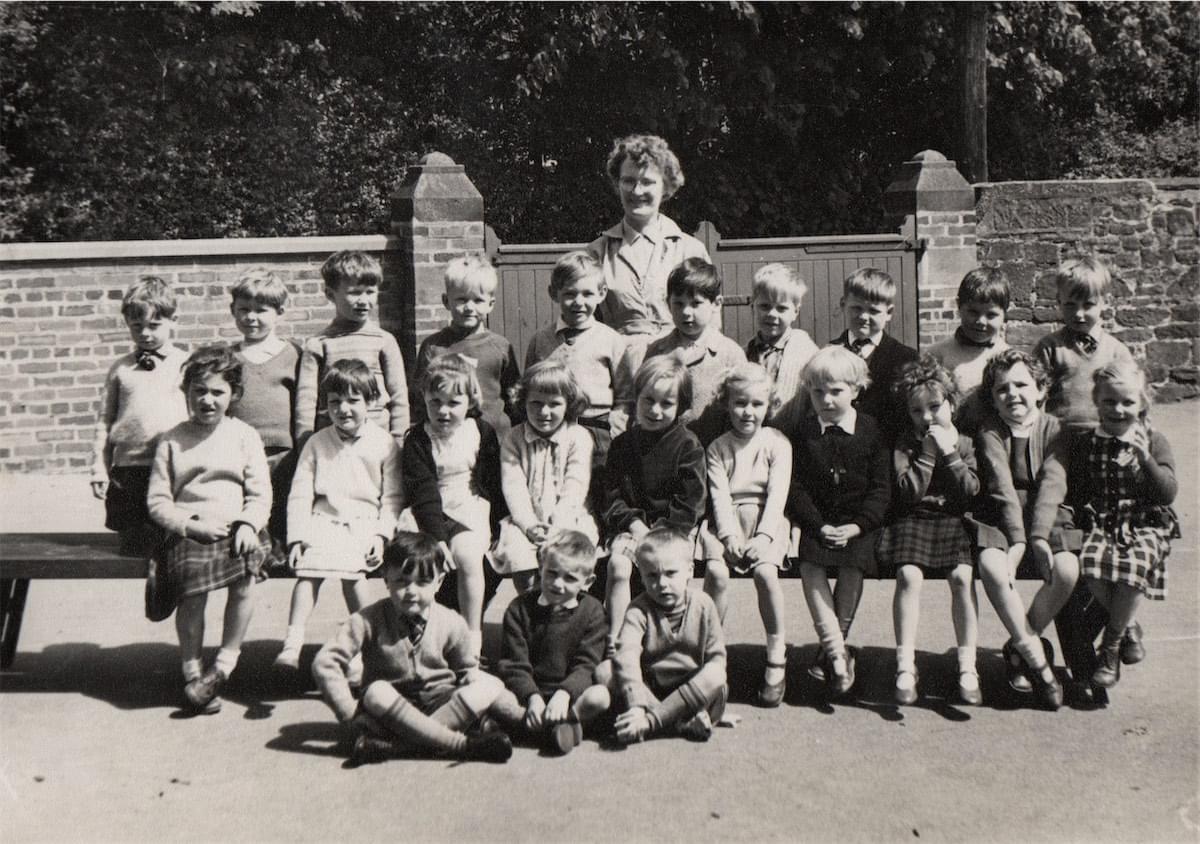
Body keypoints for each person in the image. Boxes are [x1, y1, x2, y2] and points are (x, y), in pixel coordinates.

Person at [311, 533, 514, 766]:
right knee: (376, 692)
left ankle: (397, 748)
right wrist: (349, 715)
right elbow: (325, 662)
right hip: (388, 714)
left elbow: (466, 671)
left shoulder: (451, 621)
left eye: (422, 582)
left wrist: (511, 708)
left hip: (440, 704)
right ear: (385, 578)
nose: (411, 591)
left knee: (489, 684)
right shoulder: (368, 619)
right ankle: (462, 745)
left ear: (439, 582)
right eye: (401, 581)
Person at [146, 346, 273, 715]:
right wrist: (189, 525)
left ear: (233, 395)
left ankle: (223, 667)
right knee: (193, 589)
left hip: (237, 527)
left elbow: (260, 493)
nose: (207, 400)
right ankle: (192, 672)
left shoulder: (244, 435)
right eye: (199, 391)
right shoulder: (172, 440)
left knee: (246, 577)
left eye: (218, 392)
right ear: (186, 392)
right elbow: (158, 502)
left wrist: (249, 523)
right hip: (191, 530)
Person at [274, 360, 403, 673]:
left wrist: (380, 535)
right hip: (324, 518)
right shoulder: (317, 442)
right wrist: (297, 538)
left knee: (353, 576)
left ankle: (360, 651)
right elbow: (301, 493)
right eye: (334, 402)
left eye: (353, 400)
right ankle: (292, 642)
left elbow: (392, 497)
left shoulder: (384, 443)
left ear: (371, 402)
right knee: (308, 573)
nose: (343, 409)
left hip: (363, 522)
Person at [973, 349, 1078, 710]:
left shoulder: (1055, 429)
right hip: (1002, 517)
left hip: (1048, 515)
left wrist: (1037, 538)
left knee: (1067, 569)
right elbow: (1001, 488)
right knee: (991, 565)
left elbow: (1053, 483)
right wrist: (1017, 542)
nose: (1012, 394)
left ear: (1041, 390)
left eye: (1021, 384)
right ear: (992, 397)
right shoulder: (990, 431)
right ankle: (1038, 662)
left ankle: (1018, 644)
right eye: (1002, 389)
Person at [877, 358, 982, 706]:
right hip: (914, 517)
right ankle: (905, 665)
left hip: (953, 520)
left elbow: (969, 490)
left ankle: (968, 666)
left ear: (951, 404)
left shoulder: (964, 442)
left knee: (962, 579)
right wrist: (926, 453)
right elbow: (907, 492)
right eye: (917, 410)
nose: (926, 417)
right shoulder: (906, 443)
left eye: (935, 407)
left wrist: (949, 452)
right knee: (908, 576)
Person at [787, 346, 891, 696]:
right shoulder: (803, 433)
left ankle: (833, 649)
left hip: (858, 523)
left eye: (836, 391)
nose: (827, 400)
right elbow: (796, 488)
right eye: (818, 392)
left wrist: (860, 525)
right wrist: (818, 526)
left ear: (856, 390)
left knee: (852, 565)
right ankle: (837, 653)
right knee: (810, 564)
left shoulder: (872, 430)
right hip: (819, 522)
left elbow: (880, 488)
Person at [1068, 362, 1178, 689]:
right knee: (1089, 564)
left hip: (1145, 520)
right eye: (1109, 402)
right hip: (1104, 519)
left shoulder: (1154, 441)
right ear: (1097, 402)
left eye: (1127, 403)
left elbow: (1168, 494)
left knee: (1133, 568)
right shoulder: (1089, 443)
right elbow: (1079, 488)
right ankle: (1129, 625)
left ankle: (1111, 646)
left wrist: (1145, 460)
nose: (1118, 410)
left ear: (1142, 404)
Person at [400, 354, 505, 657]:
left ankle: (472, 635)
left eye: (453, 403)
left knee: (470, 557)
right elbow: (423, 491)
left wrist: (500, 523)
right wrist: (438, 538)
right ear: (425, 399)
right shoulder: (418, 438)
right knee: (423, 560)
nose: (443, 411)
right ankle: (421, 633)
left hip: (469, 505)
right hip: (428, 511)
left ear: (470, 401)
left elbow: (493, 481)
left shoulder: (480, 433)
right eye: (435, 402)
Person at [601, 354, 708, 651]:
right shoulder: (622, 445)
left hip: (674, 530)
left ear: (682, 407)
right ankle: (618, 639)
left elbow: (691, 502)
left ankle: (673, 639)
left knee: (669, 572)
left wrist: (661, 532)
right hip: (633, 528)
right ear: (636, 398)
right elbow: (612, 497)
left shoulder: (688, 445)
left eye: (666, 403)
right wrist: (635, 526)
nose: (655, 410)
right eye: (648, 400)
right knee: (620, 564)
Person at [705, 363, 793, 707]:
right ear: (726, 404)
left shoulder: (777, 443)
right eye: (740, 403)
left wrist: (764, 537)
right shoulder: (718, 448)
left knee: (765, 573)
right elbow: (719, 496)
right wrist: (727, 536)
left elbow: (777, 495)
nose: (748, 412)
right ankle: (711, 654)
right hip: (726, 522)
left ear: (768, 406)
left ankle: (776, 656)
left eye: (757, 404)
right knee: (715, 572)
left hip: (766, 522)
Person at [91, 277, 188, 555]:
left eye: (154, 325)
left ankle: (166, 597)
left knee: (171, 547)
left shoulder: (185, 364)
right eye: (137, 326)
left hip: (171, 468)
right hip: (128, 469)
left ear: (173, 320)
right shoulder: (121, 369)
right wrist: (100, 467)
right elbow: (104, 421)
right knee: (133, 548)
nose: (145, 333)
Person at [492, 531, 611, 755]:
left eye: (570, 578)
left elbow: (587, 664)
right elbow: (514, 663)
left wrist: (564, 694)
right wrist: (532, 698)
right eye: (552, 573)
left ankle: (546, 727)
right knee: (492, 692)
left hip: (571, 696)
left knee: (600, 698)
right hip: (528, 695)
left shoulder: (593, 611)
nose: (557, 583)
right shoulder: (519, 608)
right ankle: (557, 729)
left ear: (588, 582)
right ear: (541, 569)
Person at [588, 134, 710, 341]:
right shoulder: (597, 253)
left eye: (647, 182)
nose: (637, 191)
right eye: (628, 181)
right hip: (619, 367)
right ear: (617, 184)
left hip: (678, 366)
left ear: (666, 187)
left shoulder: (691, 251)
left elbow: (710, 326)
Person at [493, 361, 599, 597]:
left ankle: (565, 615)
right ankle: (531, 613)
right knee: (522, 559)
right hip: (526, 521)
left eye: (554, 404)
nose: (544, 412)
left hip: (569, 517)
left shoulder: (578, 437)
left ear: (569, 404)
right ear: (523, 402)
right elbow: (514, 487)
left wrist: (558, 526)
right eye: (536, 403)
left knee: (566, 561)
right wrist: (529, 525)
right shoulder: (514, 439)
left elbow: (576, 486)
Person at [612, 527, 727, 744]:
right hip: (652, 691)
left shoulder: (703, 605)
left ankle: (653, 723)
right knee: (607, 672)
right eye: (652, 576)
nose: (662, 584)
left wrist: (648, 718)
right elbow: (627, 654)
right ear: (642, 577)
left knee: (716, 676)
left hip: (694, 692)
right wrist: (636, 705)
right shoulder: (638, 610)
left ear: (690, 571)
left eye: (671, 573)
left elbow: (717, 659)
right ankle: (677, 723)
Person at [615, 258, 746, 447]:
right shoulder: (657, 350)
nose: (686, 312)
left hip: (715, 449)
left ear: (716, 304)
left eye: (695, 304)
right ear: (668, 303)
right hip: (667, 450)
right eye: (678, 303)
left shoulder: (730, 353)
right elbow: (642, 401)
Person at [295, 250, 409, 445]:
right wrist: (305, 445)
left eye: (370, 292)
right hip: (331, 443)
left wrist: (398, 442)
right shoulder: (318, 344)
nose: (364, 301)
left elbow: (399, 397)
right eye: (354, 292)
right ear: (331, 294)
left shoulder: (384, 341)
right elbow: (306, 403)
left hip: (378, 440)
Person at [525, 251, 628, 466]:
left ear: (601, 294)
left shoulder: (611, 340)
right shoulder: (540, 340)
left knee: (599, 492)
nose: (578, 302)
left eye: (587, 294)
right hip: (553, 430)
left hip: (598, 432)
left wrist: (615, 428)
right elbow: (528, 389)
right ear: (554, 294)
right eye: (570, 294)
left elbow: (626, 396)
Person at [226, 268, 301, 559]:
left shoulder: (293, 354)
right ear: (233, 310)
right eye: (243, 310)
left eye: (261, 310)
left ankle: (282, 552)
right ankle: (254, 552)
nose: (251, 317)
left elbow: (303, 402)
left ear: (279, 312)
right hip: (242, 450)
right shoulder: (228, 357)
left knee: (282, 502)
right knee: (250, 502)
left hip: (283, 450)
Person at [411, 254, 521, 439]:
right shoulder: (434, 347)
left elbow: (514, 397)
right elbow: (420, 398)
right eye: (462, 299)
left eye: (478, 300)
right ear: (446, 301)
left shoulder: (500, 347)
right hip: (447, 437)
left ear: (490, 304)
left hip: (495, 439)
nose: (470, 307)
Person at [1034, 256, 1135, 433]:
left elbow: (1133, 397)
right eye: (1070, 305)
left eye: (1088, 305)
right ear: (1059, 302)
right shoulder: (1049, 348)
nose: (1079, 314)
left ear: (1105, 302)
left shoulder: (1117, 352)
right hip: (1060, 439)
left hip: (1105, 436)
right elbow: (1035, 396)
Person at [830, 267, 918, 445]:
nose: (864, 316)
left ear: (889, 313)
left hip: (888, 449)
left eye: (873, 311)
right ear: (843, 305)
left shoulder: (906, 358)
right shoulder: (829, 354)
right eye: (856, 308)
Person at [926, 267, 1011, 436]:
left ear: (1004, 314)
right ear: (959, 306)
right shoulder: (937, 355)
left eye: (991, 315)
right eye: (973, 312)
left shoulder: (1008, 358)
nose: (981, 321)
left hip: (997, 442)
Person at [745, 263, 819, 438]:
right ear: (753, 306)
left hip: (795, 441)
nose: (772, 314)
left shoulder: (807, 354)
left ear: (796, 312)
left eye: (781, 308)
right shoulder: (744, 354)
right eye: (765, 306)